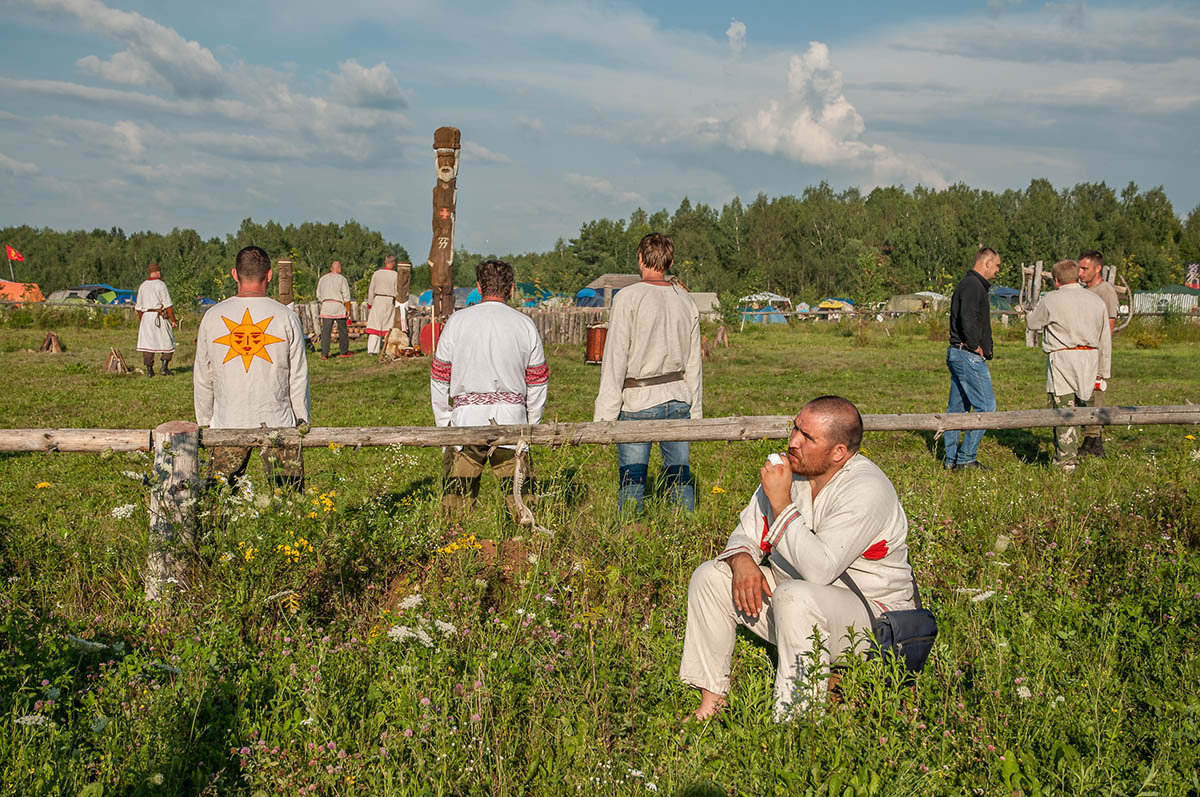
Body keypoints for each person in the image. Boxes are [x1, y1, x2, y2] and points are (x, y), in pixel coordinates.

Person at [680, 396, 916, 721]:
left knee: (796, 595)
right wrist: (743, 561)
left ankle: (796, 723)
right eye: (795, 428)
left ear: (838, 453)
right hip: (799, 603)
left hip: (873, 621)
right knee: (710, 577)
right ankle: (712, 702)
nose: (793, 442)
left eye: (807, 438)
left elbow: (820, 568)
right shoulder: (791, 473)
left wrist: (781, 503)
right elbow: (745, 533)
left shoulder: (866, 489)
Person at [430, 259, 548, 519]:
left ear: (479, 287)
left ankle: (454, 550)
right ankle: (529, 549)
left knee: (456, 504)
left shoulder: (458, 322)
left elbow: (439, 377)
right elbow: (537, 382)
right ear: (511, 288)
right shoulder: (524, 324)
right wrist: (531, 424)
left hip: (465, 423)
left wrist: (444, 423)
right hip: (512, 422)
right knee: (521, 499)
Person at [593, 232, 702, 513]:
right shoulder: (685, 301)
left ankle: (630, 541)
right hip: (678, 397)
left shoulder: (629, 298)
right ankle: (685, 537)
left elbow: (615, 357)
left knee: (632, 482)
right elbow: (694, 363)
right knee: (680, 480)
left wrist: (604, 417)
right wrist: (696, 412)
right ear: (670, 261)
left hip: (638, 400)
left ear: (639, 258)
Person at [194, 245, 310, 490]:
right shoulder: (286, 317)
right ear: (269, 275)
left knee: (220, 497)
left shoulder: (213, 316)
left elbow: (203, 375)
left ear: (234, 275)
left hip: (227, 421)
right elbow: (298, 374)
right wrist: (301, 417)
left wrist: (205, 418)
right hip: (278, 421)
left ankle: (216, 529)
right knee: (288, 499)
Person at [1024, 259, 1111, 472]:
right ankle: (1083, 446)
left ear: (1056, 280)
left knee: (1063, 408)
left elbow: (1032, 323)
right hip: (1090, 358)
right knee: (1085, 404)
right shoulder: (1095, 301)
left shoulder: (1052, 300)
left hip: (1062, 358)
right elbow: (1104, 337)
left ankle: (1066, 461)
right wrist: (1103, 370)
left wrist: (1029, 311)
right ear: (1076, 276)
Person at [944, 247, 1001, 470]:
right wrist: (974, 345)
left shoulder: (971, 285)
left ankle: (951, 460)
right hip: (966, 354)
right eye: (996, 265)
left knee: (956, 410)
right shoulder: (972, 286)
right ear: (986, 263)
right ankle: (966, 457)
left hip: (960, 353)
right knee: (986, 407)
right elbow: (967, 318)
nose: (997, 271)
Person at [1077, 251, 1118, 457]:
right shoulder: (1082, 291)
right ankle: (1091, 440)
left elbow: (1108, 327)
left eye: (1085, 268)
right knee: (1082, 395)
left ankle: (1092, 440)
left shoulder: (1105, 292)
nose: (1080, 272)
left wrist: (1097, 354)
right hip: (1081, 352)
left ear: (1097, 268)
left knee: (1095, 395)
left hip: (1096, 353)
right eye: (1079, 268)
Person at [135, 262, 177, 377]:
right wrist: (173, 320)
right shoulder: (161, 285)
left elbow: (138, 307)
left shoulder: (142, 285)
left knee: (148, 344)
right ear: (158, 272)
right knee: (168, 341)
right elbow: (168, 305)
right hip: (159, 317)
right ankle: (164, 368)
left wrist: (142, 320)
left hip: (146, 318)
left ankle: (150, 370)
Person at [365, 255, 402, 356]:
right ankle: (386, 349)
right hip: (389, 300)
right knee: (388, 325)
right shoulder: (395, 275)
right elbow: (397, 290)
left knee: (375, 325)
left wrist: (370, 303)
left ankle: (372, 349)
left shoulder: (377, 274)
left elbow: (371, 289)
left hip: (378, 300)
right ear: (393, 263)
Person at [316, 260, 352, 359]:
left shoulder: (322, 279)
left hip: (326, 306)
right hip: (338, 306)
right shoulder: (342, 279)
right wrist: (348, 309)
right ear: (339, 269)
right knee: (343, 330)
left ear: (331, 269)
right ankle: (343, 351)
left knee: (326, 332)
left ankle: (324, 353)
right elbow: (346, 296)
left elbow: (318, 295)